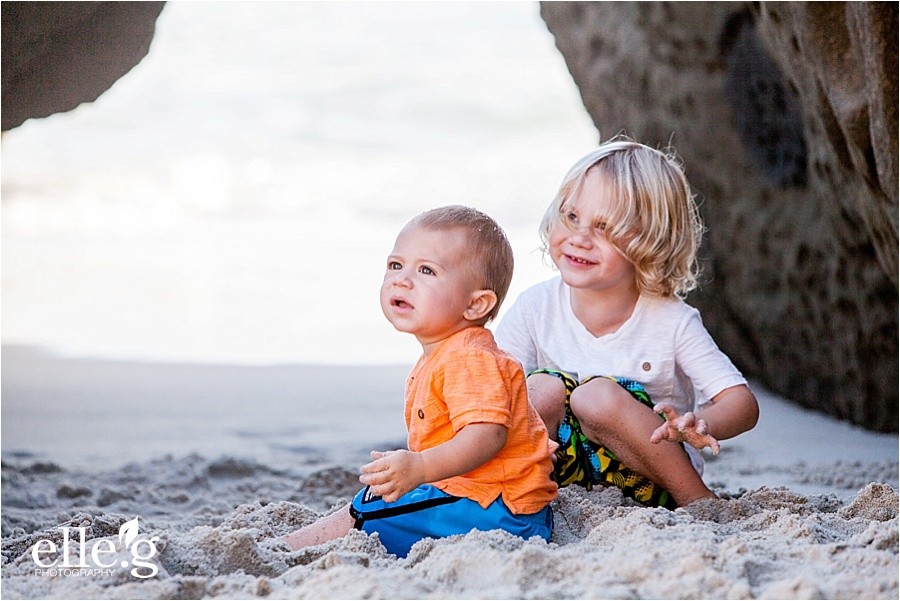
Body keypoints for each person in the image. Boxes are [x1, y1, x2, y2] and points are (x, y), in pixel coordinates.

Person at [495, 136, 759, 509]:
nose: (579, 238)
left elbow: (741, 402)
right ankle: (516, 494)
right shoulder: (535, 307)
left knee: (594, 396)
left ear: (653, 241)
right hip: (556, 477)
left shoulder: (671, 321)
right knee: (537, 388)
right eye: (571, 217)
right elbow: (493, 392)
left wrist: (700, 423)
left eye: (604, 228)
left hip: (653, 473)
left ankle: (697, 500)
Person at [280, 205, 557, 557]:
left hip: (498, 510)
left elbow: (488, 434)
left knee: (368, 510)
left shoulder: (469, 358)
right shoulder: (446, 351)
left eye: (426, 270)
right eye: (396, 265)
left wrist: (421, 467)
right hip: (484, 499)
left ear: (476, 305)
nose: (401, 279)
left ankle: (288, 549)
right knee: (381, 498)